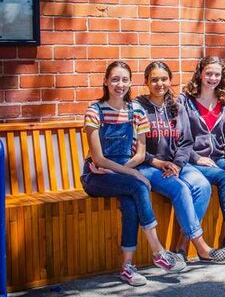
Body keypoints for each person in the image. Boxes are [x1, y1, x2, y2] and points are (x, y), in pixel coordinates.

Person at [136, 61, 225, 263]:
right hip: (154, 165)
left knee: (211, 183)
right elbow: (135, 146)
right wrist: (162, 162)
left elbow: (185, 140)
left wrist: (179, 164)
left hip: (181, 163)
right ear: (146, 81)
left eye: (164, 79)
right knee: (190, 186)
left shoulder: (176, 106)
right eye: (154, 79)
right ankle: (199, 247)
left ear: (170, 81)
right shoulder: (140, 107)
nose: (159, 83)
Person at [81, 61, 186, 286]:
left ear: (130, 83)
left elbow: (140, 154)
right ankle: (158, 251)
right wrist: (133, 175)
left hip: (122, 171)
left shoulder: (136, 111)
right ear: (106, 81)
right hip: (96, 175)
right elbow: (98, 159)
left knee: (130, 203)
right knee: (138, 186)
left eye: (125, 80)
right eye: (115, 79)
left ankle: (127, 267)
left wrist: (129, 172)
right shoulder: (94, 110)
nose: (120, 84)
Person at [179, 56, 225, 260]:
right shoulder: (185, 101)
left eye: (217, 74)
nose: (212, 78)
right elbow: (179, 137)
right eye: (208, 73)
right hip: (193, 160)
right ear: (200, 73)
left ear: (222, 77)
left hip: (219, 157)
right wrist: (195, 157)